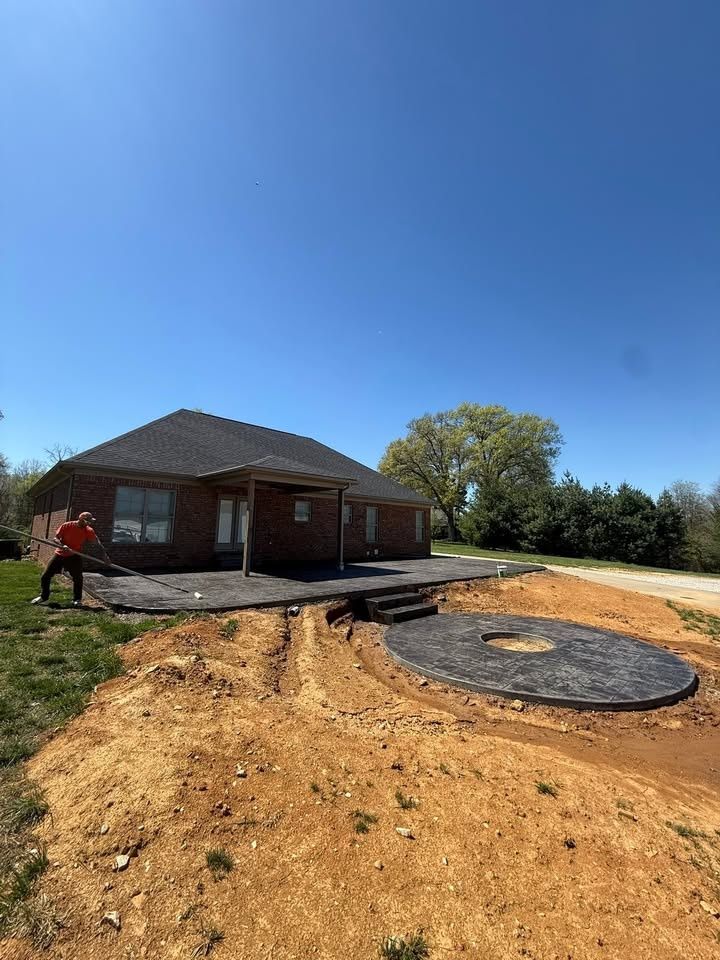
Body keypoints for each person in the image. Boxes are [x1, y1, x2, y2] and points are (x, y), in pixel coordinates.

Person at [31, 511, 110, 607]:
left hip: (74, 556)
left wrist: (104, 556)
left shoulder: (88, 530)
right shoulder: (67, 526)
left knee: (78, 578)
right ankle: (44, 597)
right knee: (45, 576)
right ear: (81, 519)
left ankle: (77, 600)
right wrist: (62, 545)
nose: (89, 523)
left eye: (90, 521)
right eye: (88, 521)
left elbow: (97, 543)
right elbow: (55, 538)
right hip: (60, 554)